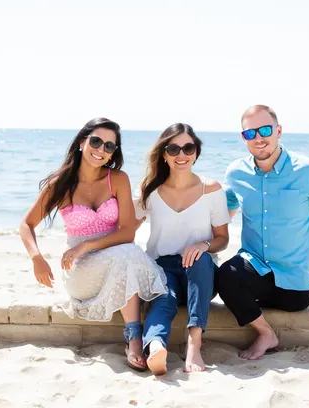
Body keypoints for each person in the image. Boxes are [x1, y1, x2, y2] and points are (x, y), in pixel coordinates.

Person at [19, 117, 168, 372]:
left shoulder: (117, 179)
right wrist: (37, 258)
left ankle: (134, 337)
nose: (101, 150)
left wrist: (85, 245)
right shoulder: (60, 185)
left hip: (114, 255)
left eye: (109, 146)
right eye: (96, 141)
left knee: (126, 254)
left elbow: (128, 233)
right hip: (81, 271)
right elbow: (26, 224)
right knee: (126, 256)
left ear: (113, 153)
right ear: (81, 142)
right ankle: (134, 336)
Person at [217, 105, 309, 360]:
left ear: (278, 131)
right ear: (244, 138)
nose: (259, 138)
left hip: (296, 284)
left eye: (265, 130)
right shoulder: (235, 173)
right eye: (250, 133)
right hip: (255, 274)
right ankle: (265, 334)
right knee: (225, 276)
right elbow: (225, 214)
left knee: (289, 297)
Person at [135, 123, 230, 375]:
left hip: (199, 273)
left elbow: (222, 238)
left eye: (188, 148)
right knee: (164, 300)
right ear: (164, 154)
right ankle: (155, 347)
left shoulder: (211, 189)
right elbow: (126, 229)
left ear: (196, 152)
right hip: (161, 267)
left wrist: (204, 245)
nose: (181, 155)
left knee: (200, 260)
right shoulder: (150, 191)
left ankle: (194, 345)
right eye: (173, 148)